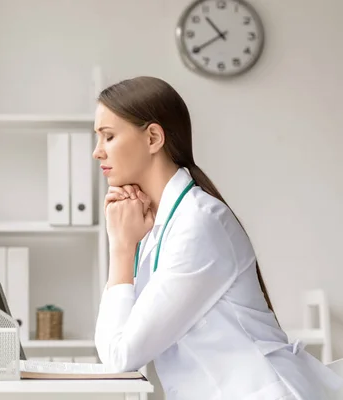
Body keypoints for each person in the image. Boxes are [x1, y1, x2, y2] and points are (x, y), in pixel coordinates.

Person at [92, 76, 342, 400]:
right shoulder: (157, 225)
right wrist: (128, 242)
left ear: (153, 137)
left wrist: (121, 249)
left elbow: (120, 356)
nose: (97, 152)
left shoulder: (197, 225)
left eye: (108, 137)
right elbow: (116, 348)